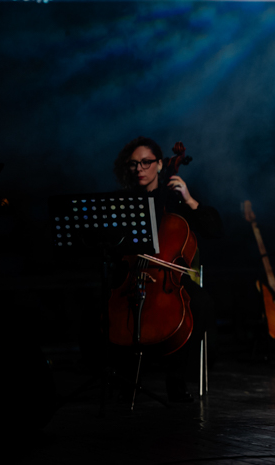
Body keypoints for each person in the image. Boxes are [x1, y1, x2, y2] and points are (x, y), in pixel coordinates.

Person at [112, 136, 223, 402]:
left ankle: (177, 380)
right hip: (132, 275)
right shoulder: (124, 203)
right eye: (133, 164)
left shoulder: (175, 200)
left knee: (201, 304)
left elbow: (214, 230)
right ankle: (123, 379)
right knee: (105, 307)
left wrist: (190, 199)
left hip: (168, 279)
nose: (139, 169)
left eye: (146, 162)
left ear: (161, 164)